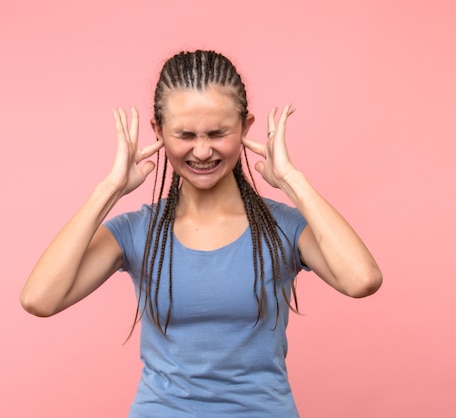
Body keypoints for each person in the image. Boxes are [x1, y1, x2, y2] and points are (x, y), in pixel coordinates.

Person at [20, 49, 382, 417]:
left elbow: (362, 280)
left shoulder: (282, 227)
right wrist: (110, 189)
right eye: (186, 134)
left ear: (245, 127)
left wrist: (293, 181)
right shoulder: (137, 231)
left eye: (218, 132)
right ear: (158, 131)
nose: (203, 150)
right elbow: (40, 300)